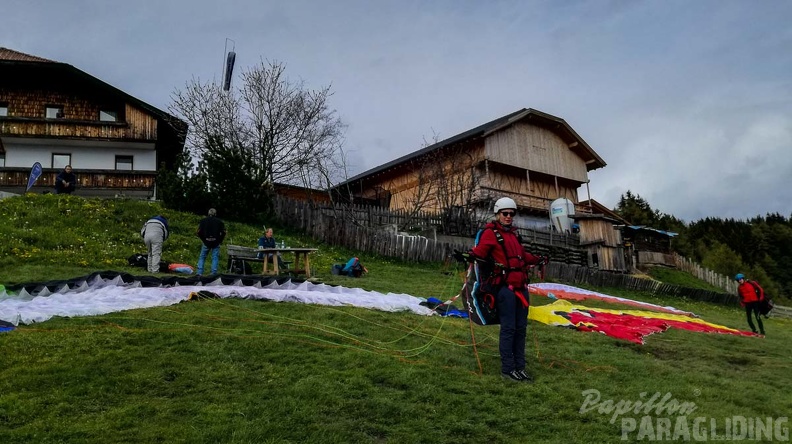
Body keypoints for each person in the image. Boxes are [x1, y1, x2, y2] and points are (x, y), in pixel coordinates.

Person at [455, 197, 545, 383]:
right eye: (505, 213)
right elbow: (480, 252)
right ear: (497, 214)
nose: (508, 217)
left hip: (522, 288)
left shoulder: (513, 235)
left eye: (511, 214)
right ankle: (508, 369)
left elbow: (521, 255)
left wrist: (537, 259)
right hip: (506, 290)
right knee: (509, 329)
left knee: (521, 329)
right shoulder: (490, 233)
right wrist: (468, 256)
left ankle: (520, 368)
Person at [196, 208, 226, 275]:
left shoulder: (203, 221)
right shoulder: (219, 221)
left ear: (208, 213)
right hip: (215, 242)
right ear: (215, 214)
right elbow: (224, 232)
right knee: (215, 258)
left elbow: (198, 232)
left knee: (202, 257)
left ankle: (199, 273)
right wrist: (220, 240)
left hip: (206, 241)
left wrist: (203, 239)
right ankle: (213, 273)